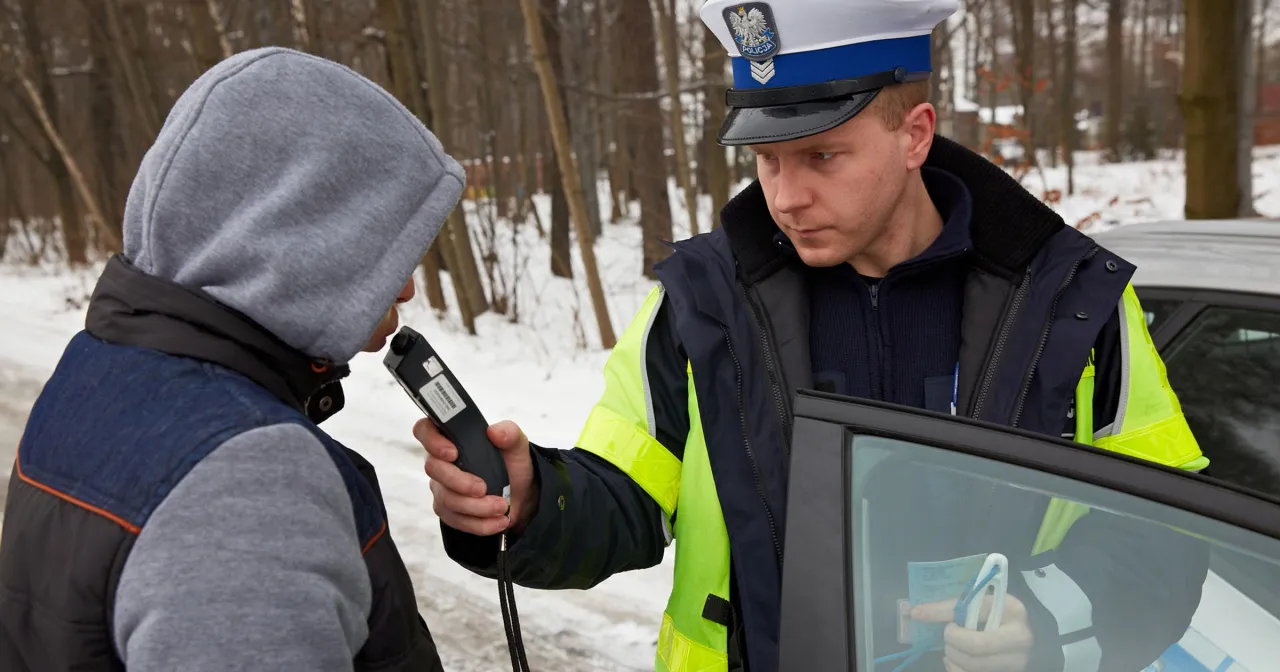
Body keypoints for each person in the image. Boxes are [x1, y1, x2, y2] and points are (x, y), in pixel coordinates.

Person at [419, 1, 1209, 671]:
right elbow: (625, 499)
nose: (786, 197)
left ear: (915, 135)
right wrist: (532, 501)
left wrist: (1039, 616)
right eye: (765, 159)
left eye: (821, 155)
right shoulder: (699, 304)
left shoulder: (1073, 303)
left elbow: (1164, 538)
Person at [0, 47, 464, 671]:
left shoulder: (99, 371)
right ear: (299, 237)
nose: (405, 287)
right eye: (384, 246)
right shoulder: (251, 479)